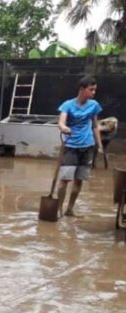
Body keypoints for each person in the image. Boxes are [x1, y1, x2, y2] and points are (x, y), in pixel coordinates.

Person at [57, 76, 103, 218]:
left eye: (95, 90)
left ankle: (70, 209)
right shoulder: (67, 105)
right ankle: (58, 209)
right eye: (91, 90)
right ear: (82, 89)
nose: (93, 92)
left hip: (88, 146)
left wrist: (99, 146)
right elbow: (61, 122)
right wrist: (64, 128)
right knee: (64, 179)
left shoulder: (94, 105)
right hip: (71, 146)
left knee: (79, 180)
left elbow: (95, 126)